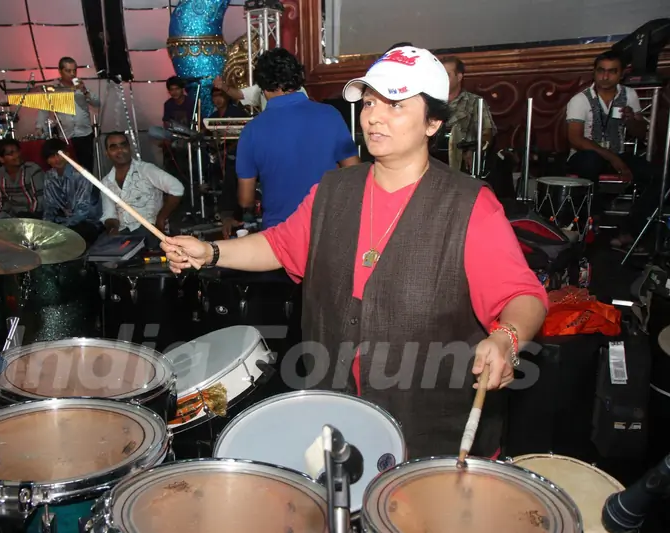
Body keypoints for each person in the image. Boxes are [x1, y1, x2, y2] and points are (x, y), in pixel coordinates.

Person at [161, 46, 548, 459]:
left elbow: (523, 296)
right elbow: (277, 244)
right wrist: (210, 251)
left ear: (433, 121)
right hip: (339, 413)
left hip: (430, 433)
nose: (373, 116)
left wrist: (507, 338)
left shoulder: (469, 205)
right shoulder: (334, 190)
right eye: (368, 102)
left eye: (395, 105)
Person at [230, 48, 360, 236]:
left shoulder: (252, 131)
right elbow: (353, 172)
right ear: (297, 79)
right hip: (326, 229)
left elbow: (245, 199)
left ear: (262, 86)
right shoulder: (329, 114)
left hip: (280, 235)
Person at [566, 50, 656, 252]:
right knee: (590, 160)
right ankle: (592, 218)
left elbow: (640, 133)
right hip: (585, 155)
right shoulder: (580, 100)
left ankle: (631, 230)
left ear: (621, 74)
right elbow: (575, 139)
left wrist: (632, 120)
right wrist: (614, 159)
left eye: (611, 72)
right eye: (601, 71)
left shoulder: (629, 95)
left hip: (617, 153)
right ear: (594, 72)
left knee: (659, 177)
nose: (605, 76)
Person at [100, 132, 185, 248]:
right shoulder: (106, 182)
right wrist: (113, 229)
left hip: (149, 230)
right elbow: (109, 215)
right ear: (107, 153)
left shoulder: (146, 170)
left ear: (129, 148)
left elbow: (177, 188)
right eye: (114, 147)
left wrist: (161, 217)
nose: (120, 150)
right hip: (124, 233)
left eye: (123, 145)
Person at [35, 57, 101, 174]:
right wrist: (39, 127)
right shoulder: (53, 89)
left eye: (74, 70)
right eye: (68, 71)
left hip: (84, 134)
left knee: (87, 169)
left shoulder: (81, 86)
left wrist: (84, 90)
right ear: (60, 71)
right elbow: (44, 109)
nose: (72, 74)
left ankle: (89, 191)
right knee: (69, 170)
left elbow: (97, 103)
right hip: (66, 135)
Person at [41, 138, 102, 245]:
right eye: (52, 156)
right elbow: (49, 207)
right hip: (64, 221)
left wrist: (61, 229)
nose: (57, 159)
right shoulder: (49, 176)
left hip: (87, 221)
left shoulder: (80, 174)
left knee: (74, 235)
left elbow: (83, 210)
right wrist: (46, 227)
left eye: (60, 154)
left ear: (68, 154)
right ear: (47, 161)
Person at [441, 56, 497, 172]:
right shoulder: (430, 103)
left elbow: (487, 132)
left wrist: (475, 150)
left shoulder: (475, 102)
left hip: (462, 169)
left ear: (459, 76)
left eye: (447, 74)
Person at [206, 88, 250, 234]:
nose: (217, 100)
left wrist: (227, 150)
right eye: (214, 96)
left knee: (232, 171)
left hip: (237, 156)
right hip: (220, 157)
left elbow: (245, 136)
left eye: (220, 96)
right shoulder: (212, 117)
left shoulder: (238, 113)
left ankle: (232, 213)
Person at [0, 138, 45, 219]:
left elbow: (40, 200)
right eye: (11, 153)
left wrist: (28, 217)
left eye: (17, 151)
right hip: (13, 215)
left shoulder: (33, 170)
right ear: (1, 159)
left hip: (35, 214)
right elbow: (1, 201)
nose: (17, 155)